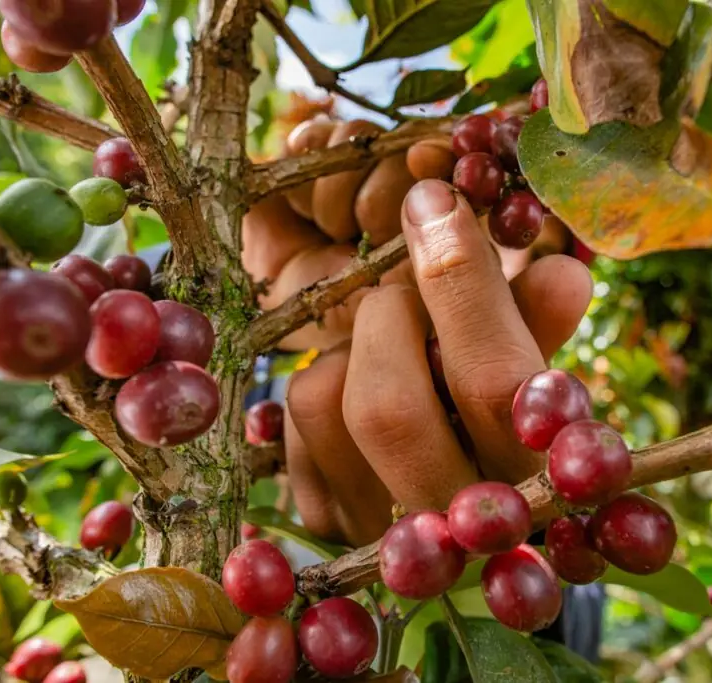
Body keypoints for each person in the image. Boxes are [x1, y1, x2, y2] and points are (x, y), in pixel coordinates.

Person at [243, 116, 605, 661]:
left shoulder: (570, 452)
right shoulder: (253, 377)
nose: (468, 243)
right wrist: (256, 292)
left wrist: (492, 548)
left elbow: (570, 630)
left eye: (518, 234)